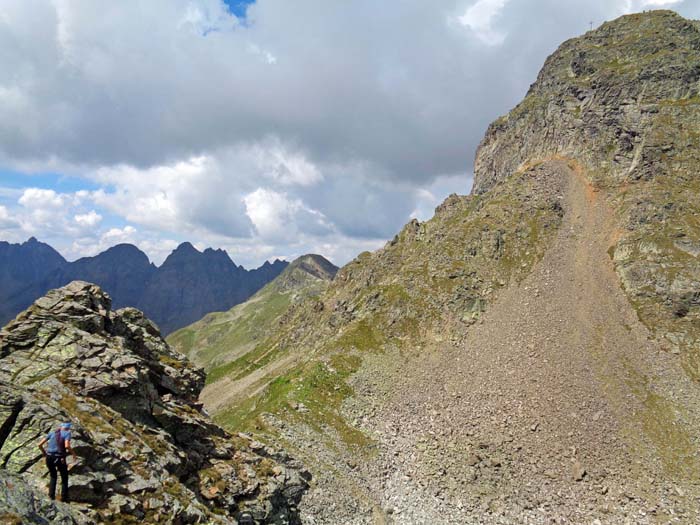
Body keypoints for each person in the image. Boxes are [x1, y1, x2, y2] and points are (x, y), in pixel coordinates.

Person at [38, 422, 77, 502]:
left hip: (49, 457)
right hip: (59, 458)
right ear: (68, 428)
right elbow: (67, 446)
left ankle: (51, 496)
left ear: (61, 427)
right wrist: (73, 454)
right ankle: (64, 498)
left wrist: (44, 452)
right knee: (64, 477)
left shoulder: (52, 433)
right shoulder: (67, 433)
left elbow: (39, 444)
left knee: (53, 475)